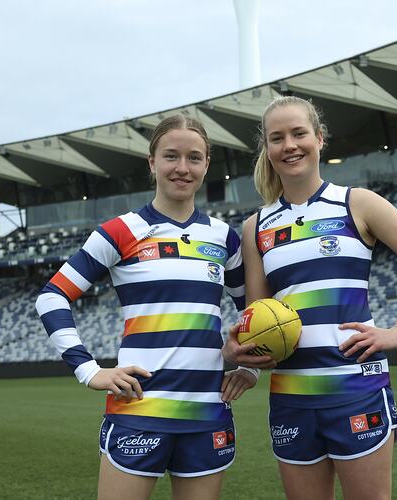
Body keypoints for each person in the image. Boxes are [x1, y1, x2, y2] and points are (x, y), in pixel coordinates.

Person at [224, 96, 397, 500]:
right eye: (277, 138)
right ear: (267, 149)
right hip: (292, 398)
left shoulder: (356, 202)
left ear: (319, 138)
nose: (289, 145)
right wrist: (240, 352)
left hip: (356, 390)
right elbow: (256, 315)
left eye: (298, 133)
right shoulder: (255, 226)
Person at [35, 115, 267, 500]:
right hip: (138, 409)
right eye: (171, 156)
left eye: (194, 158)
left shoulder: (224, 238)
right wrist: (88, 370)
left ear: (207, 165)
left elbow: (255, 315)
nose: (182, 168)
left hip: (206, 412)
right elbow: (52, 296)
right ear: (152, 162)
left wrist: (249, 368)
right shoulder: (118, 231)